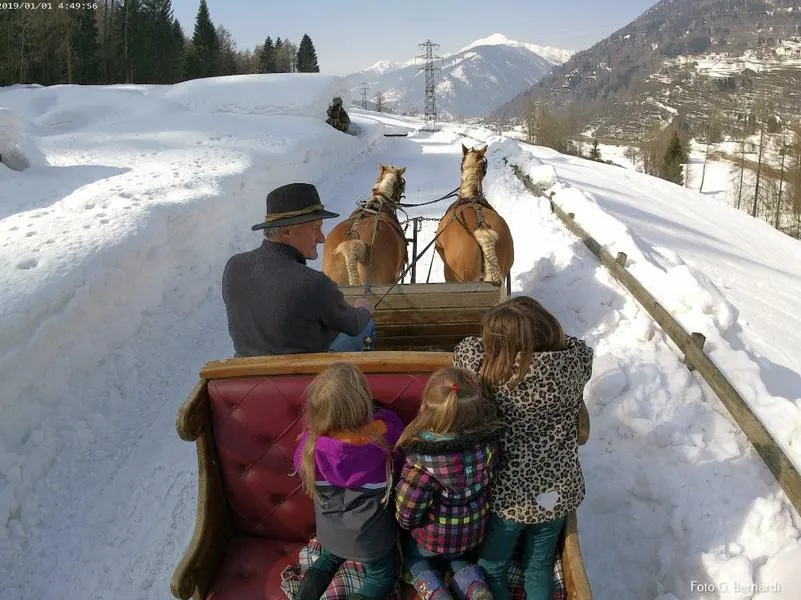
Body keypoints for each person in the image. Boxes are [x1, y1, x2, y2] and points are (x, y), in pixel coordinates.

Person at [452, 296, 594, 600]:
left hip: (508, 499)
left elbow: (463, 349)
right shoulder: (577, 364)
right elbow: (579, 345)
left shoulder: (490, 375)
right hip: (558, 492)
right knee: (539, 566)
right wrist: (542, 338)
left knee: (493, 566)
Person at [222, 182, 375, 356]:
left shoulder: (234, 266)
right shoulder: (313, 282)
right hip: (306, 376)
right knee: (365, 325)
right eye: (315, 229)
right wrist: (363, 308)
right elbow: (353, 325)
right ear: (286, 233)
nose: (322, 238)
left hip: (246, 374)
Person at [293, 362, 404, 600]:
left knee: (326, 560)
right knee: (380, 577)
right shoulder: (385, 434)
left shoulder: (309, 446)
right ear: (362, 401)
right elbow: (401, 453)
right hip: (372, 541)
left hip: (330, 535)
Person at [394, 367, 504, 600]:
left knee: (416, 559)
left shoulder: (422, 459)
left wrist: (407, 525)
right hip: (472, 530)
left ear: (427, 408)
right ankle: (475, 589)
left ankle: (436, 593)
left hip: (433, 534)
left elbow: (408, 506)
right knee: (460, 558)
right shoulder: (487, 447)